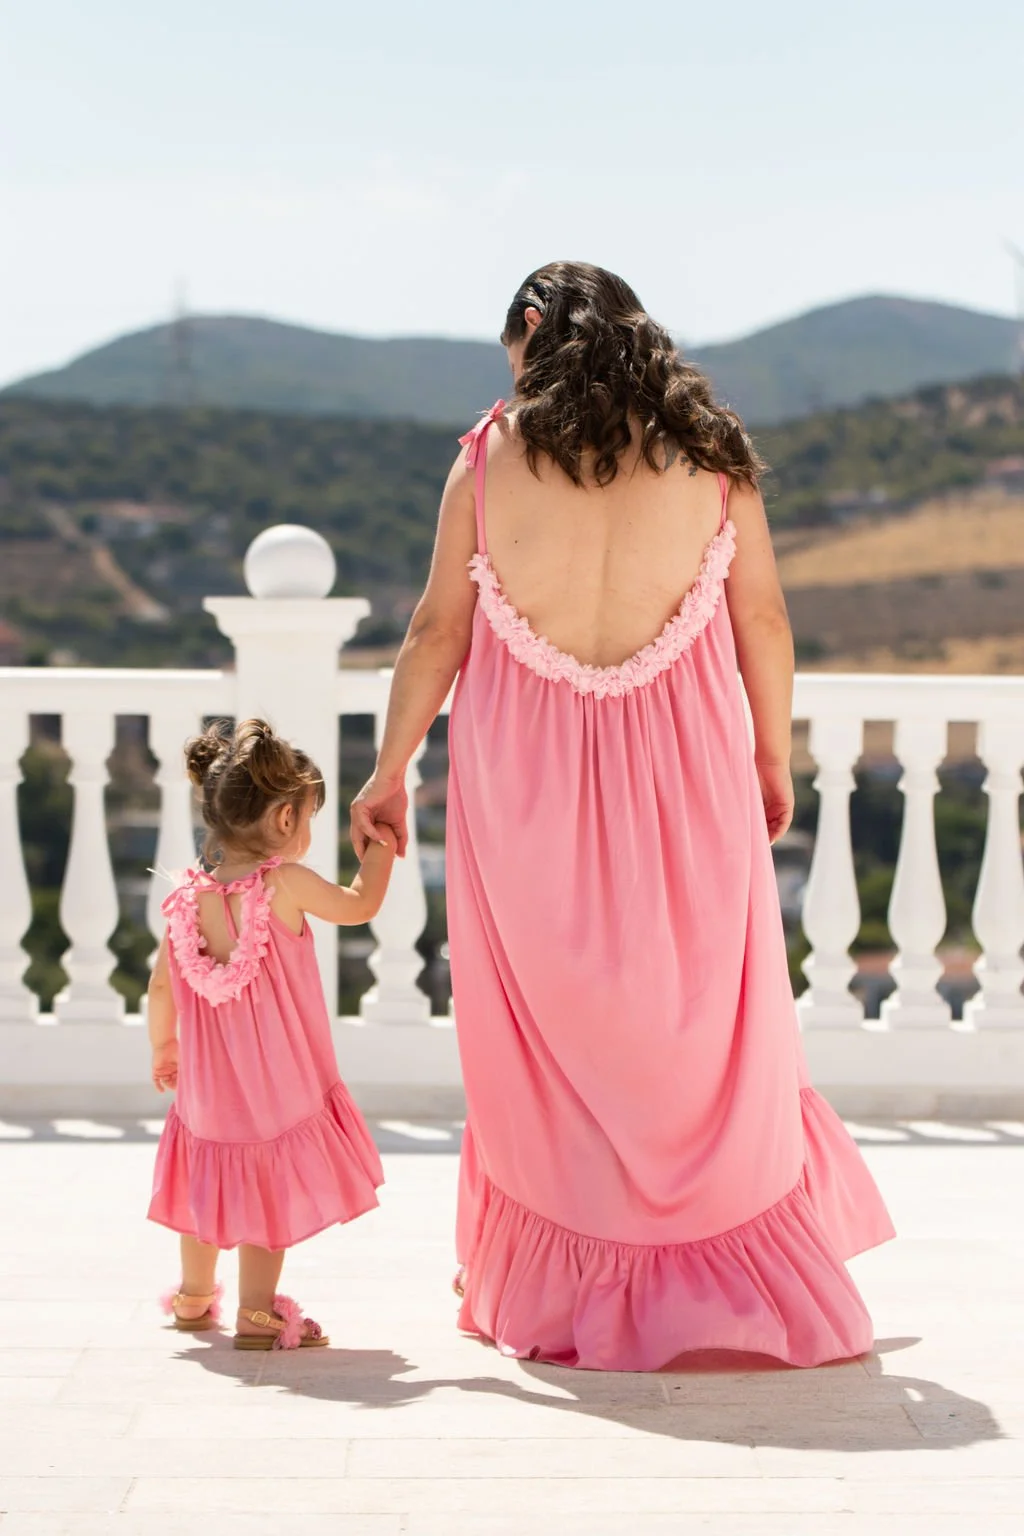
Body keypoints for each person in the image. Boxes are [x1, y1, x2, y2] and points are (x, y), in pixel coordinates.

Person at [351, 262, 894, 1371]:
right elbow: (768, 622)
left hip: (523, 782)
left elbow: (434, 634)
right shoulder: (710, 455)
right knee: (696, 1027)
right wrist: (769, 748)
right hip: (686, 771)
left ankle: (558, 1287)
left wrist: (386, 769)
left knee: (544, 1036)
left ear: (531, 336)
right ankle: (722, 1275)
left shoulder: (488, 457)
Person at [148, 718, 395, 1350]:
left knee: (208, 1180)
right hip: (274, 1085)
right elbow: (360, 905)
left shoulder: (183, 900)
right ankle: (258, 1312)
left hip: (206, 1089)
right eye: (308, 818)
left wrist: (165, 1048)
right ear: (284, 822)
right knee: (263, 1189)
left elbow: (160, 987)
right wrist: (382, 851)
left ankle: (194, 1295)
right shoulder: (284, 884)